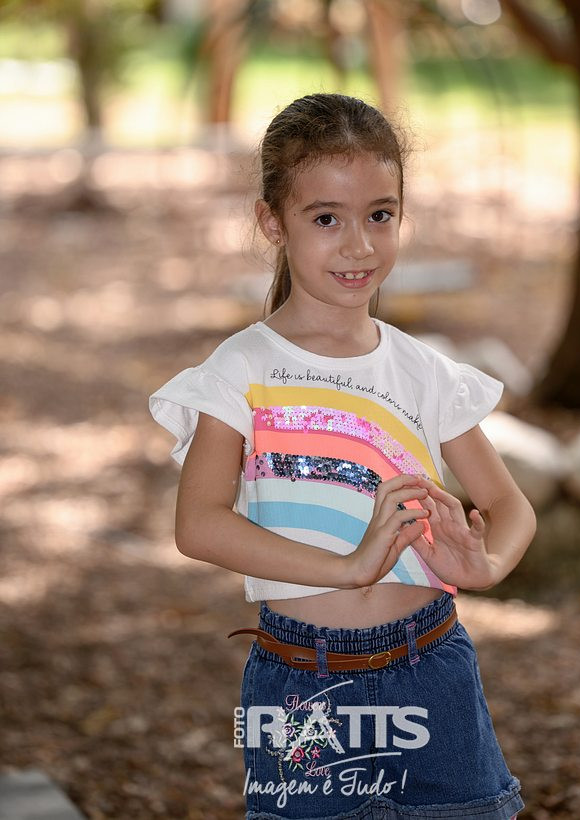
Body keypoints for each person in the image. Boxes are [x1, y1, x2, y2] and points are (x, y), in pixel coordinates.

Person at [149, 93, 536, 820]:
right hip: (301, 686)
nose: (359, 245)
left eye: (380, 215)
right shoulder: (241, 370)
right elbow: (197, 524)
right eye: (326, 218)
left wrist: (486, 565)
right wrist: (348, 567)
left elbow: (510, 505)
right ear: (272, 222)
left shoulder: (423, 371)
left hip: (433, 671)